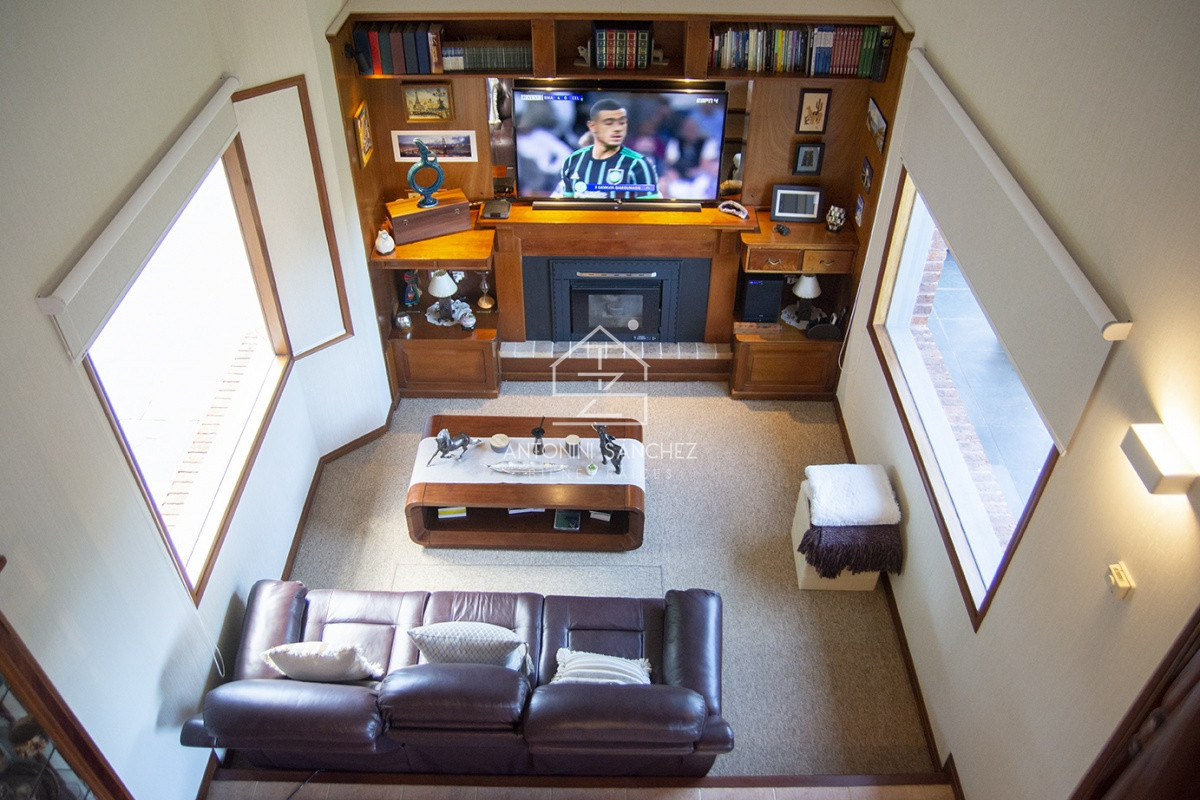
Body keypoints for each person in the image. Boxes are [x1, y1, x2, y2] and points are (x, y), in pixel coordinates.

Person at [552, 99, 660, 199]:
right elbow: (563, 206)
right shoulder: (573, 161)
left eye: (621, 123)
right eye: (609, 123)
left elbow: (651, 210)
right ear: (592, 126)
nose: (617, 129)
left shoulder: (639, 164)